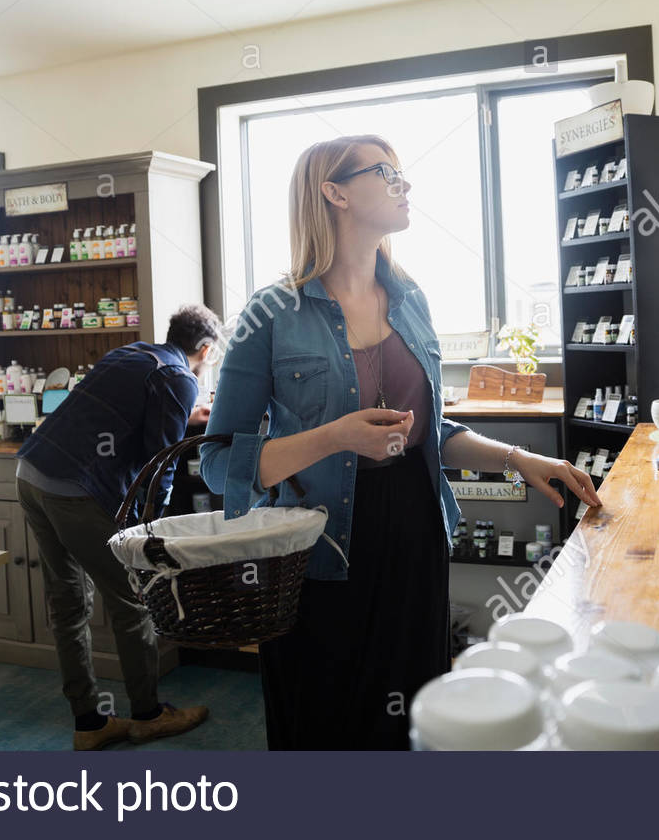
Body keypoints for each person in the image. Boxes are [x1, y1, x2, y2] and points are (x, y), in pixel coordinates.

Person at [199, 135, 602, 750]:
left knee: (413, 710)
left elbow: (427, 435)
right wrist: (336, 437)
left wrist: (518, 459)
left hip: (415, 532)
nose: (404, 184)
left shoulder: (411, 299)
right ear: (334, 192)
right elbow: (220, 459)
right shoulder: (271, 313)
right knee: (321, 718)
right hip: (319, 551)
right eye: (385, 172)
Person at [16, 304, 221, 750]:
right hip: (75, 491)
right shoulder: (180, 379)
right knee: (133, 602)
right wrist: (149, 529)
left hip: (32, 475)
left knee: (68, 604)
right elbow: (160, 463)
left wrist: (185, 416)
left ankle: (89, 723)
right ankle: (148, 715)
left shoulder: (132, 354)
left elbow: (119, 417)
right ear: (205, 350)